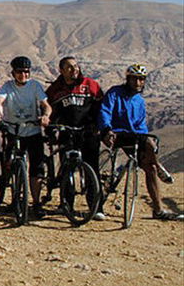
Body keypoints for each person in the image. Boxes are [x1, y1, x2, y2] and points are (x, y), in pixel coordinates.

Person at [99, 64, 180, 220]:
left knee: (150, 168)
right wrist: (107, 129)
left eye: (141, 79)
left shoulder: (139, 101)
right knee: (147, 145)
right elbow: (105, 111)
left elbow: (141, 126)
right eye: (134, 79)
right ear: (128, 79)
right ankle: (159, 165)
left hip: (135, 136)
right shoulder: (115, 93)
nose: (137, 83)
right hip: (116, 134)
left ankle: (158, 210)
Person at [0, 56, 52, 219]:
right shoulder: (7, 87)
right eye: (19, 72)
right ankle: (14, 196)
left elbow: (46, 105)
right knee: (9, 164)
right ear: (13, 73)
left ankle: (36, 203)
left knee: (36, 169)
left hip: (33, 132)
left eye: (26, 72)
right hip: (13, 131)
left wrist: (45, 116)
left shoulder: (35, 86)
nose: (23, 75)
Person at [46, 56, 106, 219]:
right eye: (70, 67)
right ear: (61, 70)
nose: (74, 70)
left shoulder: (90, 85)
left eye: (76, 66)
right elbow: (49, 112)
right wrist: (51, 130)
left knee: (92, 169)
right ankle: (66, 204)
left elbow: (101, 108)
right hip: (67, 133)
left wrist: (98, 126)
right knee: (67, 168)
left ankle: (96, 207)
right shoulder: (55, 89)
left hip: (88, 133)